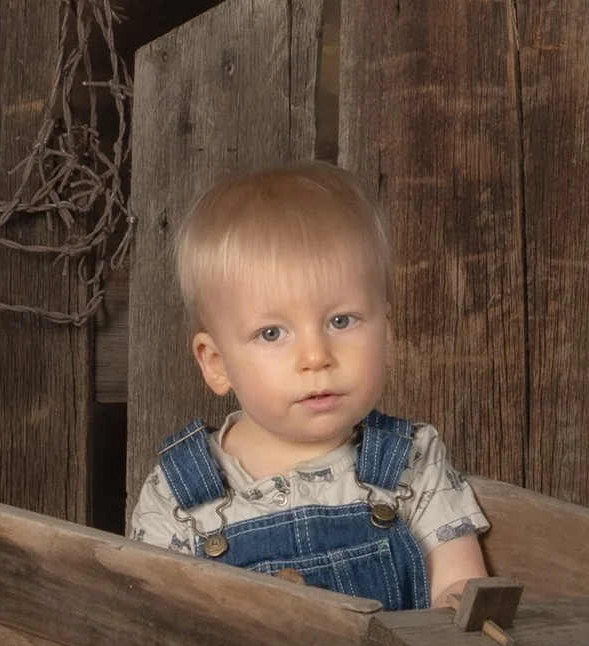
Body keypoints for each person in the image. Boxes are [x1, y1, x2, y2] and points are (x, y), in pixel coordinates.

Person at [127, 162, 489, 611]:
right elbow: (154, 621)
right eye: (272, 333)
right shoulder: (180, 493)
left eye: (341, 321)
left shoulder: (409, 463)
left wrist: (456, 605)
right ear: (217, 363)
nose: (316, 357)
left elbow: (458, 587)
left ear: (388, 337)